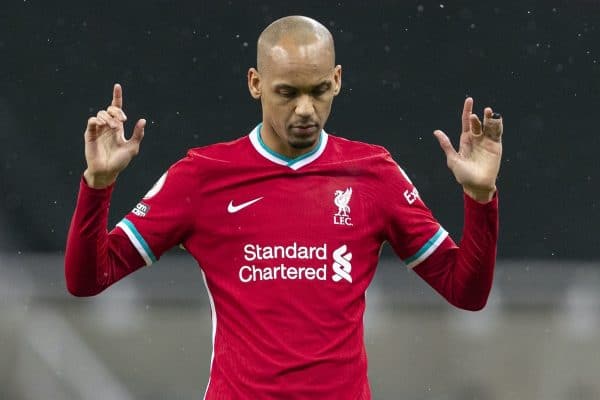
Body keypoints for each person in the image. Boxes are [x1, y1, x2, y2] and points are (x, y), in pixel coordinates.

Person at [65, 15, 502, 400]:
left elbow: (466, 292)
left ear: (337, 79)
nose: (305, 110)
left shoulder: (374, 174)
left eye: (318, 91)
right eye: (287, 92)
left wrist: (480, 199)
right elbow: (88, 279)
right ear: (255, 83)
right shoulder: (203, 175)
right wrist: (98, 185)